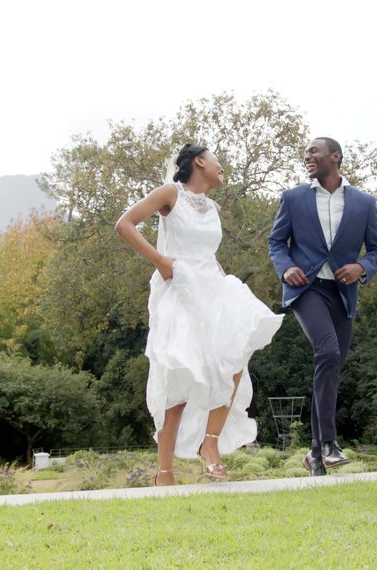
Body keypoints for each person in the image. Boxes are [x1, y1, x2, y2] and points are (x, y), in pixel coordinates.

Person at [116, 143, 284, 486]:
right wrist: (160, 261)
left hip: (210, 285)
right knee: (179, 376)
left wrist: (220, 275)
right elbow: (125, 224)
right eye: (218, 161)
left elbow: (206, 251)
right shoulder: (170, 194)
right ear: (199, 162)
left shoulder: (213, 207)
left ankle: (210, 446)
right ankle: (165, 474)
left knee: (234, 356)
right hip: (178, 288)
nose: (222, 167)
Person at [268, 137, 377, 476]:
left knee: (332, 368)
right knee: (328, 353)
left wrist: (362, 267)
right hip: (306, 289)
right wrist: (286, 267)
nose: (306, 155)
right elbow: (277, 242)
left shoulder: (364, 203)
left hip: (343, 293)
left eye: (313, 151)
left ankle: (315, 454)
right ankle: (331, 443)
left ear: (334, 157)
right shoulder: (293, 198)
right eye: (304, 151)